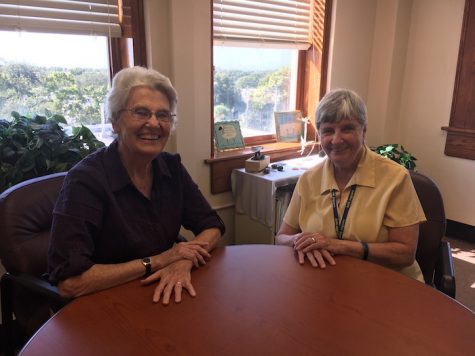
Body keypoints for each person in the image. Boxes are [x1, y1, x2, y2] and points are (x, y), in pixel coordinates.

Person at [48, 66, 225, 304]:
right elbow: (70, 283)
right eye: (141, 112)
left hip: (160, 293)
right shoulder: (85, 181)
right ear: (115, 121)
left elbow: (212, 226)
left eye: (163, 115)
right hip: (100, 305)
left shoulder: (170, 167)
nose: (154, 123)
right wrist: (160, 260)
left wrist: (184, 259)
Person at [275, 88, 426, 281]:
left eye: (347, 128)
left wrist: (339, 246)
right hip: (327, 280)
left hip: (386, 284)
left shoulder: (395, 178)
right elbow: (281, 238)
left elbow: (405, 253)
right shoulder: (309, 179)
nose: (336, 140)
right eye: (328, 131)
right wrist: (298, 240)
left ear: (363, 130)